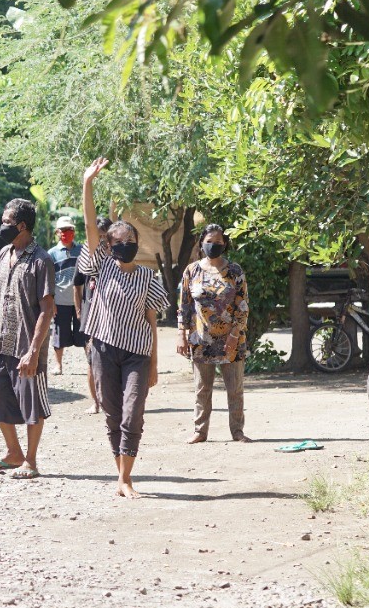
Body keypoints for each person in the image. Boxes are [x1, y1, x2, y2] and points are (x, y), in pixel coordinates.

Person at [77, 158, 169, 499]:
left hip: (137, 355)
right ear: (110, 247)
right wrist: (88, 184)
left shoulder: (148, 278)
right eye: (119, 241)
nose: (126, 243)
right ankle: (121, 475)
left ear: (137, 242)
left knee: (133, 412)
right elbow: (89, 228)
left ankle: (126, 478)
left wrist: (155, 364)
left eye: (131, 238)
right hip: (102, 349)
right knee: (113, 413)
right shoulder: (101, 268)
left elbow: (152, 320)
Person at [0, 197, 55, 480]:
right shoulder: (3, 254)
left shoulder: (41, 260)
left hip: (26, 346)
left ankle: (31, 462)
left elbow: (47, 309)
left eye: (6, 222)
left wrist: (34, 351)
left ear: (22, 225)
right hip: (1, 341)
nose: (2, 226)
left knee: (31, 403)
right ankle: (13, 453)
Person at [178, 223, 252, 444]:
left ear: (225, 244)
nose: (213, 245)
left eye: (218, 242)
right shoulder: (191, 271)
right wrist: (181, 333)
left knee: (235, 388)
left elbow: (243, 305)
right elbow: (184, 305)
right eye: (209, 241)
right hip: (202, 339)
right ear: (202, 243)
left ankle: (237, 431)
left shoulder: (235, 271)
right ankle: (200, 431)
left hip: (232, 340)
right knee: (202, 389)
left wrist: (234, 335)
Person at [74, 216, 112, 414]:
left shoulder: (118, 255)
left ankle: (111, 401)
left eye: (105, 236)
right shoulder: (87, 255)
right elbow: (77, 284)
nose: (102, 240)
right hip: (90, 317)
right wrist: (80, 311)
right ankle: (96, 402)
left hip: (112, 317)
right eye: (98, 236)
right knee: (91, 360)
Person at [48, 216, 85, 376]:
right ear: (57, 232)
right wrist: (51, 302)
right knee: (59, 334)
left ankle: (91, 362)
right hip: (60, 300)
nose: (66, 233)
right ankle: (58, 365)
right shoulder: (52, 254)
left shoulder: (82, 250)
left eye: (69, 230)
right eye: (63, 230)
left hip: (81, 301)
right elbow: (49, 280)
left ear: (74, 231)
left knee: (84, 333)